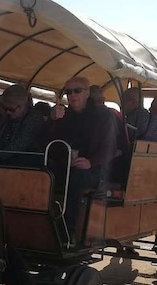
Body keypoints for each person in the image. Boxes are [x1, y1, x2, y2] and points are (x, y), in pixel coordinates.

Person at [49, 77, 120, 243]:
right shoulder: (65, 115)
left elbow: (110, 147)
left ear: (87, 93)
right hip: (67, 164)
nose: (72, 95)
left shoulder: (104, 116)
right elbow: (49, 141)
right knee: (43, 171)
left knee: (77, 177)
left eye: (77, 91)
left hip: (95, 169)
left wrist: (91, 162)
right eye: (68, 92)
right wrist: (52, 120)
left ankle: (67, 231)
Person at [0, 84, 44, 165]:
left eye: (11, 109)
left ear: (22, 106)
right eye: (5, 108)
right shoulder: (9, 116)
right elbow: (0, 136)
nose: (7, 112)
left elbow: (21, 143)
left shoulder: (34, 118)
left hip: (23, 163)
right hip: (5, 159)